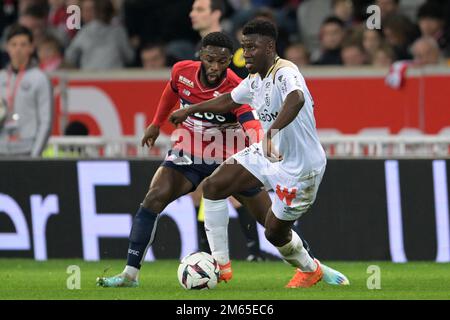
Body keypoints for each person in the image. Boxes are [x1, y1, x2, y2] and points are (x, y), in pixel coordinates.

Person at [169, 19, 349, 288]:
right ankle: (221, 265)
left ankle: (311, 269)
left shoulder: (285, 71)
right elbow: (229, 100)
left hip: (301, 168)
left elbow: (296, 99)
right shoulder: (254, 80)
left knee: (275, 233)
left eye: (252, 47)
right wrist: (189, 110)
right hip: (268, 153)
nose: (246, 53)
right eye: (244, 47)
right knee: (215, 185)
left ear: (270, 47)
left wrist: (272, 133)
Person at [96, 32, 270, 288]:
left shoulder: (236, 87)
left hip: (226, 156)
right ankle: (129, 274)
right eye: (210, 59)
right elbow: (171, 91)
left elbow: (250, 121)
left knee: (272, 223)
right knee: (154, 197)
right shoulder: (182, 71)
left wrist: (263, 144)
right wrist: (156, 124)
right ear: (201, 55)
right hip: (187, 150)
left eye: (222, 62)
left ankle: (312, 265)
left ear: (228, 63)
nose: (215, 67)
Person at [189, 0, 264, 261]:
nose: (192, 14)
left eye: (200, 10)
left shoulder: (238, 52)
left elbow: (251, 89)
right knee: (199, 191)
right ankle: (207, 253)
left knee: (233, 190)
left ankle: (254, 251)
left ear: (216, 14)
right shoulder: (196, 52)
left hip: (235, 127)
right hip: (206, 128)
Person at [0, 24, 53, 157]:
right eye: (14, 44)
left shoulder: (40, 78)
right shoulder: (1, 77)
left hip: (27, 150)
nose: (18, 49)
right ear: (7, 47)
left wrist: (34, 156)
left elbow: (46, 121)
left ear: (31, 47)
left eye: (23, 45)